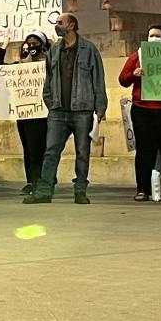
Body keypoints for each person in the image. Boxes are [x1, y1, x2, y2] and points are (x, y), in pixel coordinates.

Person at [25, 13, 107, 205]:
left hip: (82, 110)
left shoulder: (89, 49)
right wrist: (50, 102)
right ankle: (44, 191)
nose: (57, 26)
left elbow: (98, 79)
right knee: (51, 151)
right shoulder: (53, 50)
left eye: (60, 23)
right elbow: (49, 78)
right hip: (58, 111)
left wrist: (100, 107)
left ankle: (80, 190)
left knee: (82, 152)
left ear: (71, 25)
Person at [118, 25, 161, 202]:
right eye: (151, 35)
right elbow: (123, 80)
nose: (153, 38)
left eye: (157, 35)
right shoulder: (138, 56)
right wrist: (134, 74)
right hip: (143, 110)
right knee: (144, 151)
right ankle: (142, 189)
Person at [0, 33, 50, 196]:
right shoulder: (21, 65)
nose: (32, 47)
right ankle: (31, 181)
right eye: (29, 44)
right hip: (25, 114)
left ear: (42, 44)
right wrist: (4, 46)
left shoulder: (49, 63)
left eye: (35, 43)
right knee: (29, 149)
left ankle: (42, 180)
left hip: (44, 113)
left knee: (41, 149)